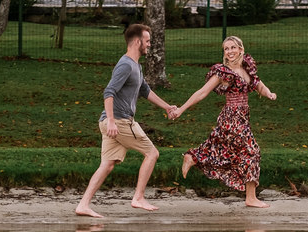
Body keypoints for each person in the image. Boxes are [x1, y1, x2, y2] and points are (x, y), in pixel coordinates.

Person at [75, 24, 179, 218]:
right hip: (120, 122)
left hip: (112, 122)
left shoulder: (136, 66)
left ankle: (83, 205)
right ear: (138, 42)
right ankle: (138, 197)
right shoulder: (125, 64)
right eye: (147, 41)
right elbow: (109, 92)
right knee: (152, 153)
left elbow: (144, 91)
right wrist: (112, 122)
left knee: (107, 164)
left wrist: (166, 107)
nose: (149, 45)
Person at [170, 36, 277, 209]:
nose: (230, 52)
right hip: (231, 117)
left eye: (233, 48)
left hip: (243, 117)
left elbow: (259, 85)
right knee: (251, 151)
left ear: (241, 49)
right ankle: (250, 198)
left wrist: (269, 93)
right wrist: (181, 109)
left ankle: (194, 157)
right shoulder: (223, 72)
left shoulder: (247, 68)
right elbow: (202, 93)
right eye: (226, 49)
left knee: (227, 150)